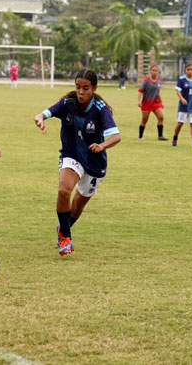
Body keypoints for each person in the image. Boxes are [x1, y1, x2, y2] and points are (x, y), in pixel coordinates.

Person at [33, 69, 120, 257]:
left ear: (94, 88)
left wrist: (102, 145)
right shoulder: (69, 102)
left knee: (78, 206)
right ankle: (65, 237)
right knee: (64, 189)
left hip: (94, 161)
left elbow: (116, 136)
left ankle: (63, 228)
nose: (80, 92)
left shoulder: (100, 109)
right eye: (78, 87)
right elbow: (47, 112)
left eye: (85, 88)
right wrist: (40, 118)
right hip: (71, 154)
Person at [138, 64, 167, 141]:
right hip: (147, 103)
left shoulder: (158, 81)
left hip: (156, 103)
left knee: (161, 117)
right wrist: (139, 101)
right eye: (153, 70)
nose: (155, 72)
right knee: (144, 120)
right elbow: (140, 91)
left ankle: (160, 136)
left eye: (156, 70)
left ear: (158, 72)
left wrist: (161, 102)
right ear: (150, 71)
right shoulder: (146, 81)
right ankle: (140, 136)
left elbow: (158, 92)